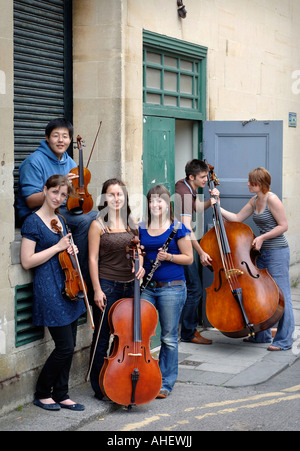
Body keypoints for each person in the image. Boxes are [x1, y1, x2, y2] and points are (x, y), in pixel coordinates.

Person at [20, 175, 86, 411]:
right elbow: (27, 261)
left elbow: (62, 252)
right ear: (45, 190)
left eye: (63, 195)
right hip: (49, 287)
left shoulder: (60, 219)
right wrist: (57, 247)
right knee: (65, 346)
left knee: (72, 344)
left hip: (69, 285)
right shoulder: (32, 222)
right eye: (55, 192)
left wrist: (70, 249)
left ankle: (62, 393)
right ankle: (42, 392)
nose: (59, 198)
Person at [217, 167, 295, 351]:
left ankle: (284, 340)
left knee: (282, 294)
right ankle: (262, 335)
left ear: (259, 184)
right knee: (262, 292)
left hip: (277, 251)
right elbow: (237, 218)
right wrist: (217, 205)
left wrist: (261, 237)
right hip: (261, 252)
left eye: (251, 182)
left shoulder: (272, 199)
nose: (247, 184)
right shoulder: (254, 199)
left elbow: (284, 226)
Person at [17, 117, 97, 283]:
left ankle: (94, 270)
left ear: (70, 140)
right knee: (84, 221)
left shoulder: (69, 162)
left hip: (60, 211)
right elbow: (31, 201)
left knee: (97, 217)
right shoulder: (33, 162)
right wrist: (61, 184)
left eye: (65, 136)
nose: (61, 140)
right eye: (55, 136)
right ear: (47, 138)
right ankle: (80, 273)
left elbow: (73, 196)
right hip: (37, 214)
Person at [88, 178, 144, 400]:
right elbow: (92, 259)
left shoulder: (132, 223)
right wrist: (97, 290)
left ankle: (119, 377)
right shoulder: (98, 224)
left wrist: (139, 264)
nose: (116, 198)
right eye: (111, 194)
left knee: (126, 337)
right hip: (108, 286)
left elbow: (138, 250)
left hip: (130, 287)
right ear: (104, 198)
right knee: (102, 337)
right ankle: (98, 384)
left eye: (119, 194)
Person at [139, 185, 193, 398]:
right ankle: (143, 374)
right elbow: (140, 252)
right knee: (140, 333)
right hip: (148, 288)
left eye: (159, 200)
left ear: (167, 203)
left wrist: (169, 257)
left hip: (172, 288)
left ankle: (165, 383)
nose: (155, 204)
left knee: (168, 337)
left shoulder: (177, 227)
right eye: (151, 201)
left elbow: (188, 258)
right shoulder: (141, 227)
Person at [175, 159, 218, 345]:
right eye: (202, 177)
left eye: (206, 176)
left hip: (181, 243)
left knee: (189, 289)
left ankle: (186, 330)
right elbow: (186, 228)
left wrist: (212, 200)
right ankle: (188, 333)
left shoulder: (185, 186)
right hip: (181, 246)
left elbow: (198, 208)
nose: (205, 180)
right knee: (195, 289)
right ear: (191, 177)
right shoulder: (184, 194)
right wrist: (200, 252)